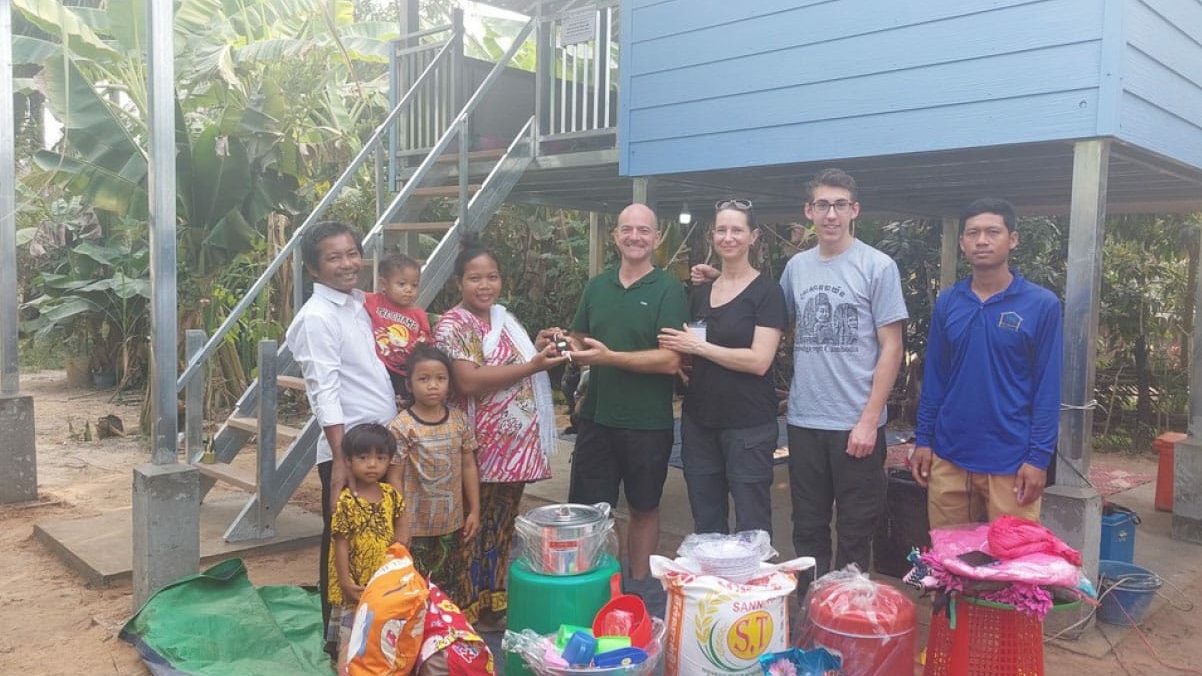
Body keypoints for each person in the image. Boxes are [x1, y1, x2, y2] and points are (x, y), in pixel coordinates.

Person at [697, 170, 908, 578]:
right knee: (807, 526)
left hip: (855, 424)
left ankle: (844, 612)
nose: (831, 214)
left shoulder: (877, 266)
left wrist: (868, 420)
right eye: (823, 205)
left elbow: (893, 347)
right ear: (809, 211)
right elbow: (764, 309)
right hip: (805, 419)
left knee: (854, 527)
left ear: (854, 210)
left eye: (840, 205)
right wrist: (721, 278)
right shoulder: (797, 268)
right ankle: (808, 608)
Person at [432, 236, 565, 627]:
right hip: (478, 449)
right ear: (459, 282)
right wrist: (533, 366)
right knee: (470, 526)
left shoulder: (505, 318)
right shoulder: (453, 325)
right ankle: (461, 607)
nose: (485, 285)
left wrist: (537, 346)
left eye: (492, 277)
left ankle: (493, 599)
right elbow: (468, 381)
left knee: (501, 526)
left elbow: (513, 359)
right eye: (475, 278)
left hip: (516, 449)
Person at [564, 202, 689, 614]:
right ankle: (594, 585)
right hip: (597, 416)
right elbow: (580, 335)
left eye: (644, 230)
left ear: (656, 238)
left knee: (644, 506)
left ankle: (637, 591)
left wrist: (607, 357)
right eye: (627, 229)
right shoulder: (596, 286)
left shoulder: (669, 290)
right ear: (615, 235)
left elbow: (670, 360)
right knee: (591, 508)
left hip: (648, 422)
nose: (635, 237)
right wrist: (569, 346)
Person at [911, 197, 1063, 527]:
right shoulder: (949, 302)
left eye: (993, 231)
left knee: (1012, 566)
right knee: (950, 564)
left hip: (1011, 462)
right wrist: (923, 441)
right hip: (949, 457)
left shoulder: (1041, 305)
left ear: (1013, 239)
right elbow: (935, 378)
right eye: (973, 233)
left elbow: (1048, 390)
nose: (982, 240)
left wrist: (1038, 459)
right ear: (963, 242)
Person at [285, 220, 397, 655]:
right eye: (334, 257)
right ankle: (338, 642)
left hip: (379, 447)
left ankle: (377, 629)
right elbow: (323, 390)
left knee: (378, 540)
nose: (348, 263)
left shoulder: (355, 304)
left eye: (352, 253)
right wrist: (340, 461)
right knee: (344, 543)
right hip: (349, 453)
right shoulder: (316, 318)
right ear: (314, 267)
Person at [658, 198, 785, 536]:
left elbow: (759, 361)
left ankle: (757, 589)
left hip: (748, 427)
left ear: (754, 236)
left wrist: (699, 347)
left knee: (752, 525)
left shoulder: (768, 293)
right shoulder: (700, 292)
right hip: (700, 422)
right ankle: (712, 589)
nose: (729, 237)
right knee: (706, 522)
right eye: (722, 230)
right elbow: (690, 347)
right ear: (712, 234)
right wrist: (684, 360)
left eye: (737, 230)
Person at [387, 344, 481, 610]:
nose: (433, 386)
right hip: (414, 528)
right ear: (409, 383)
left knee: (449, 590)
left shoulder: (459, 421)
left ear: (449, 383)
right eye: (424, 379)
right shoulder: (402, 426)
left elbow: (468, 466)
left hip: (451, 524)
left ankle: (449, 642)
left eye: (440, 379)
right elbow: (394, 476)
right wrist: (401, 521)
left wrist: (474, 510)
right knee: (414, 591)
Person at [327, 423, 406, 666]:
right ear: (348, 462)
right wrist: (345, 582)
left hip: (381, 582)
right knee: (349, 641)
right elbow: (341, 545)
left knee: (378, 636)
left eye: (380, 458)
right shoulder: (347, 501)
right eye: (363, 457)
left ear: (389, 460)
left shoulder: (390, 494)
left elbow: (401, 537)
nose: (372, 464)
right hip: (354, 585)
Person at [365, 252, 432, 404]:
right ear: (383, 284)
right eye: (401, 284)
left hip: (406, 372)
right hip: (381, 369)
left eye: (414, 285)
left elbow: (426, 340)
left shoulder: (418, 314)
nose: (409, 289)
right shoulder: (372, 301)